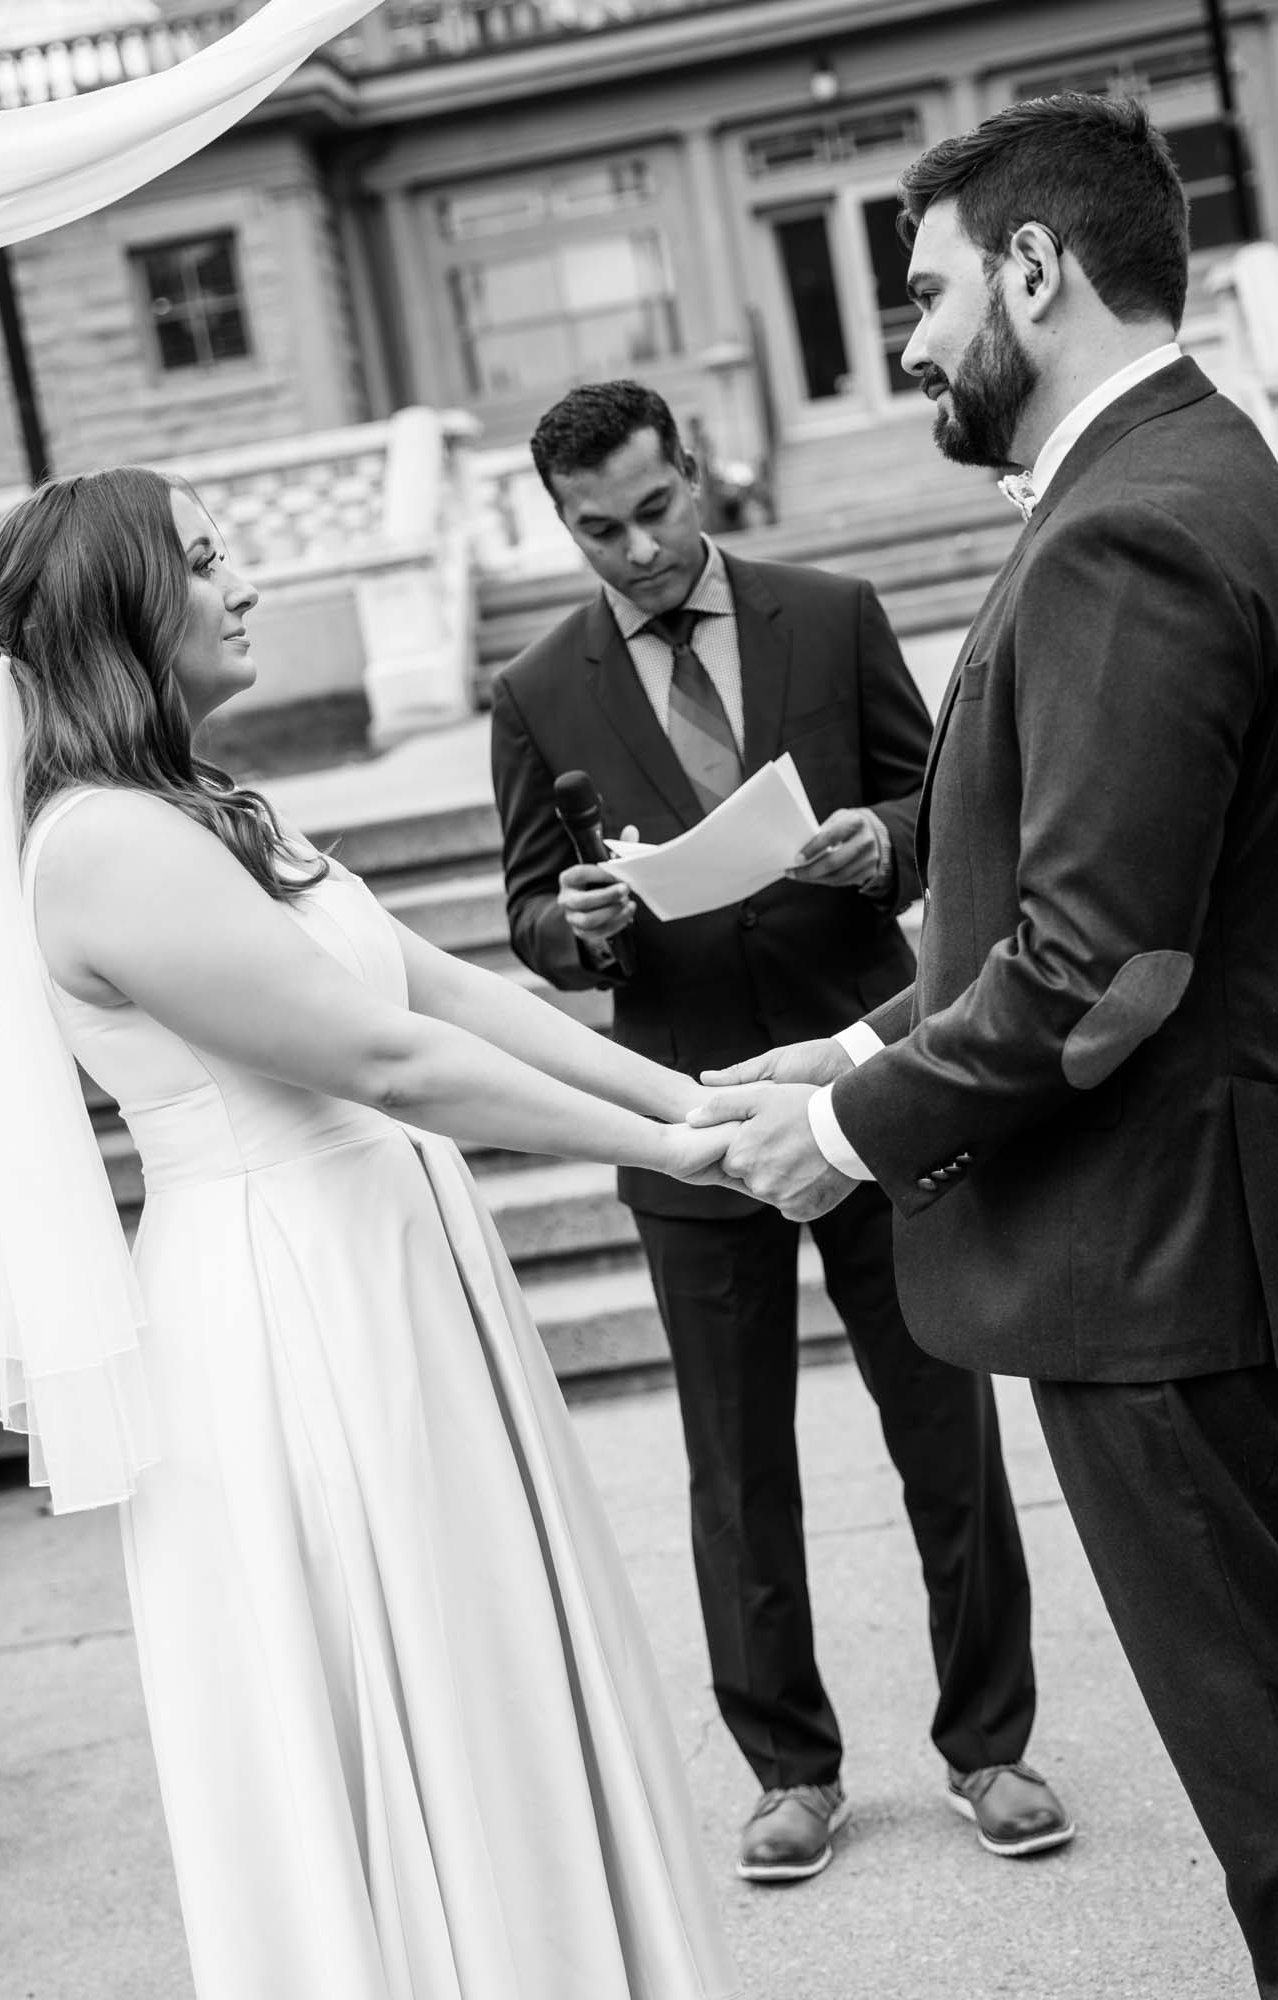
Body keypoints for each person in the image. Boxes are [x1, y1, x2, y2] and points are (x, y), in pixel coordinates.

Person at [0, 467, 745, 2000]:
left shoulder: (204, 804)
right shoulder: (105, 847)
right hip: (289, 1306)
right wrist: (668, 1156)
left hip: (375, 1263)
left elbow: (433, 988)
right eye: (202, 561)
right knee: (408, 1682)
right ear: (122, 613)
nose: (243, 581)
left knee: (481, 1665)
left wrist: (695, 1095)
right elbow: (380, 1061)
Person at [690, 93, 1278, 1993]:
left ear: (1037, 270)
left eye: (930, 290)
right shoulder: (1189, 476)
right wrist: (854, 1035)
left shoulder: (1134, 528)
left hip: (1177, 1277)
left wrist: (853, 1129)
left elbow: (1104, 969)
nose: (911, 341)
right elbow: (1062, 898)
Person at [489, 379, 1070, 1883]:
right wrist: (581, 922)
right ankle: (787, 1773)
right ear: (558, 524)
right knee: (733, 1467)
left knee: (942, 1430)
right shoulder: (536, 685)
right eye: (595, 529)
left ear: (699, 473)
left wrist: (883, 839)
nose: (635, 549)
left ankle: (989, 1746)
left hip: (870, 1087)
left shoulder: (829, 609)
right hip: (684, 1123)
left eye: (655, 507)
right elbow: (530, 915)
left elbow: (944, 806)